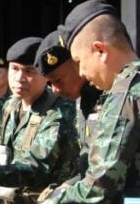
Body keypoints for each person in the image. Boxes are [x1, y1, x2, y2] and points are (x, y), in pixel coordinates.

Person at [38, 0, 140, 204]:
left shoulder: (125, 94)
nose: (81, 72)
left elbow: (99, 186)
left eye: (79, 61)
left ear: (100, 50)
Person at [0, 37, 79, 204]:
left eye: (29, 71)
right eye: (14, 69)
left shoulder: (57, 112)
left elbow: (36, 166)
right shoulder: (12, 105)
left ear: (44, 74)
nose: (19, 78)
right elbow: (1, 150)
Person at [34, 29, 102, 157]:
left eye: (57, 80)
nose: (55, 90)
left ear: (77, 62)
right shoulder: (80, 101)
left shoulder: (109, 94)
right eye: (49, 83)